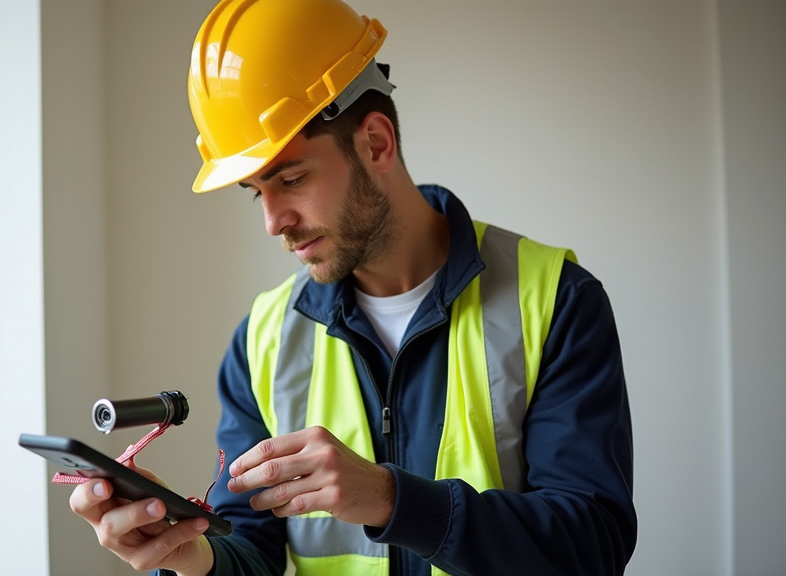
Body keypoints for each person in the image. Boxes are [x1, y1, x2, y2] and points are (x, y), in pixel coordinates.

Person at [69, 0, 637, 574]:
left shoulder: (555, 301)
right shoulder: (264, 341)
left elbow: (593, 545)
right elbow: (250, 549)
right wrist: (192, 555)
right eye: (256, 192)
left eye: (291, 179)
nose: (273, 222)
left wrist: (391, 499)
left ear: (375, 143)